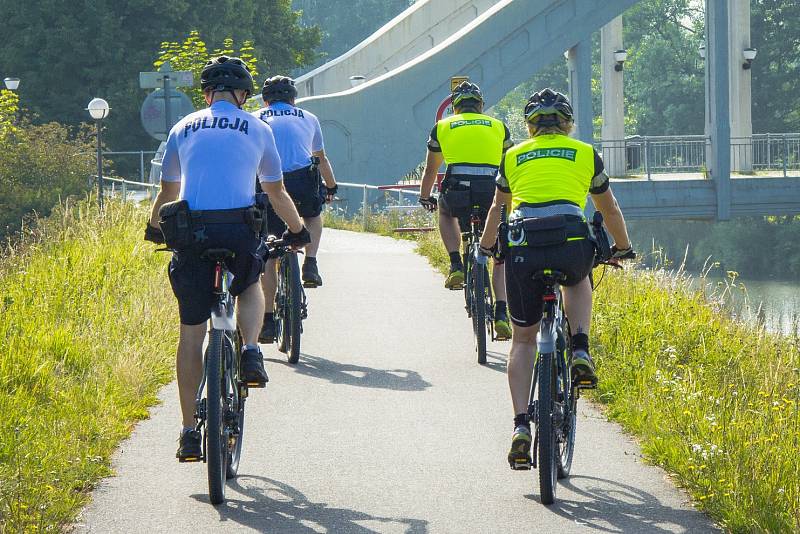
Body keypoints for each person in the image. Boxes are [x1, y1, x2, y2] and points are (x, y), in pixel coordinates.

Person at [144, 56, 310, 462]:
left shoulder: (183, 127)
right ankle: (252, 349)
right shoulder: (258, 126)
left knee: (190, 334)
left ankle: (187, 432)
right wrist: (298, 230)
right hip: (237, 230)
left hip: (192, 232)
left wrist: (153, 228)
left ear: (206, 94)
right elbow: (276, 191)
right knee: (250, 282)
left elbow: (168, 192)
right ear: (242, 95)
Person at [478, 88, 635, 469]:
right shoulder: (584, 153)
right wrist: (623, 246)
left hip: (522, 244)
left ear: (530, 125)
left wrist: (485, 246)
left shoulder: (512, 156)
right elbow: (608, 206)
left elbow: (499, 207)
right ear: (567, 123)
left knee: (523, 340)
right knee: (578, 279)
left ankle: (520, 427)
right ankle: (580, 349)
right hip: (570, 237)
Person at [418, 81, 514, 339]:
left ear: (455, 108)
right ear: (481, 106)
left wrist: (425, 196)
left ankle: (456, 264)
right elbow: (509, 167)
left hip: (458, 189)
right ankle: (502, 312)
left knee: (445, 212)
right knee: (498, 253)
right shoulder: (499, 126)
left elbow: (430, 170)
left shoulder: (442, 127)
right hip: (492, 191)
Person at [253, 76, 338, 343]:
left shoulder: (255, 118)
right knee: (313, 216)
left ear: (266, 99)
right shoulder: (308, 117)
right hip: (302, 181)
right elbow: (320, 157)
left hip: (267, 182)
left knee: (269, 250)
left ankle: (267, 320)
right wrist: (331, 186)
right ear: (293, 98)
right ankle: (310, 263)